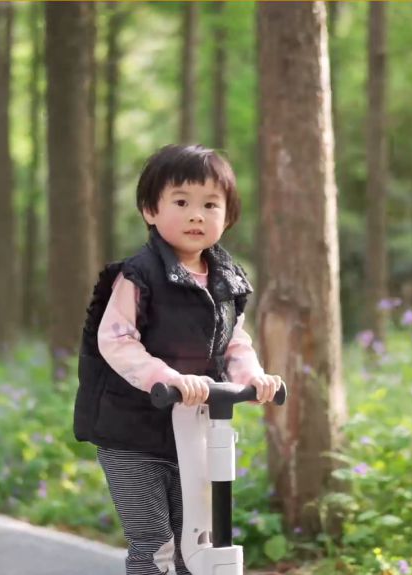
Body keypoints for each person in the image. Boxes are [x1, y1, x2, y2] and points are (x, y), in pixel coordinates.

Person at [74, 144, 283, 575]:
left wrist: (253, 376)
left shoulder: (226, 280)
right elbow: (117, 340)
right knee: (155, 542)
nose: (196, 215)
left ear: (227, 216)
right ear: (151, 210)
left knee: (195, 542)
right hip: (132, 434)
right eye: (182, 202)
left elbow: (233, 340)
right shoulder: (138, 276)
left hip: (193, 434)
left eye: (210, 205)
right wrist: (164, 377)